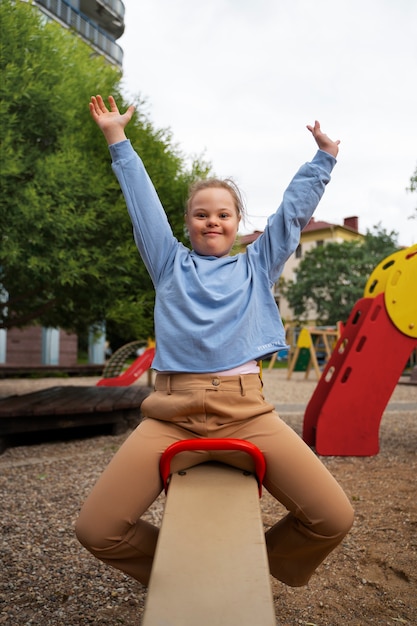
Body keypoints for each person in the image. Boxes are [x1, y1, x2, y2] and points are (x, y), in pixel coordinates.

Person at [76, 95, 354, 588]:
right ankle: (182, 572)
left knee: (333, 518)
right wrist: (117, 139)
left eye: (223, 214)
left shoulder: (257, 264)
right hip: (172, 413)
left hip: (246, 411)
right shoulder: (168, 264)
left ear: (237, 223)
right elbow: (142, 203)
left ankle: (253, 564)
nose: (212, 221)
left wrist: (323, 159)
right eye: (201, 214)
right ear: (186, 223)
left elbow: (291, 215)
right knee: (96, 530)